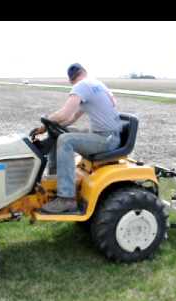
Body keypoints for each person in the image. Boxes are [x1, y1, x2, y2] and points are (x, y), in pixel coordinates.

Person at [32, 63, 122, 214]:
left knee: (66, 140)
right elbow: (71, 119)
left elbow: (64, 115)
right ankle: (55, 180)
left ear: (71, 80)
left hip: (107, 139)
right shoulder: (97, 85)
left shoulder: (81, 86)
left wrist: (44, 124)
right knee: (63, 133)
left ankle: (66, 199)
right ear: (84, 72)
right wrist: (50, 127)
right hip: (111, 136)